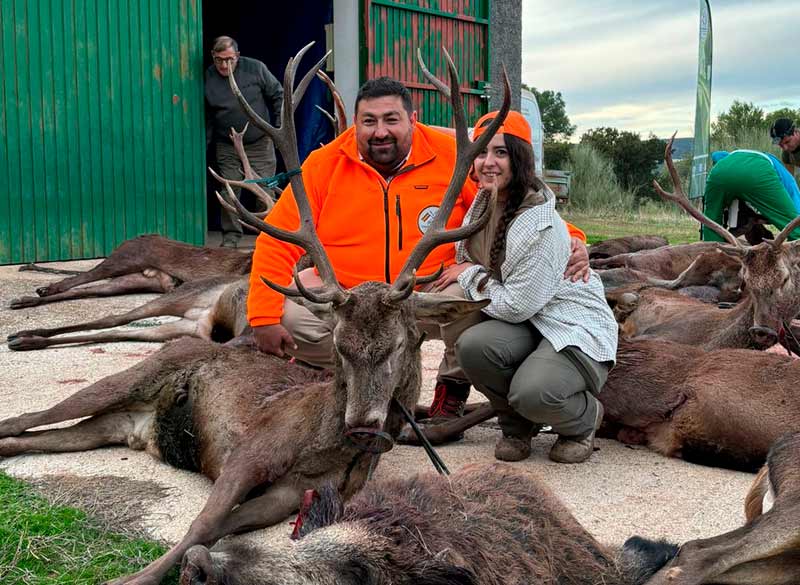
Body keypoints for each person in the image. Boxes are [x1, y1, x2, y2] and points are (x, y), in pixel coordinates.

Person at [246, 76, 590, 422]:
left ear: (412, 119)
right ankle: (359, 376)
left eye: (391, 119)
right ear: (356, 123)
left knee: (469, 296)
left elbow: (510, 200)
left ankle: (451, 386)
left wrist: (570, 237)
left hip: (425, 293)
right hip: (353, 301)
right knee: (290, 315)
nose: (380, 131)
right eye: (369, 121)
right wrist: (263, 317)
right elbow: (277, 239)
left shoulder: (453, 157)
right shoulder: (324, 165)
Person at [446, 110, 618, 464]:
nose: (488, 162)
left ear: (520, 158)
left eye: (501, 152)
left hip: (569, 326)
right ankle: (517, 426)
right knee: (473, 347)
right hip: (530, 321)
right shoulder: (483, 204)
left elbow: (514, 306)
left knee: (534, 392)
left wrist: (468, 274)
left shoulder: (540, 224)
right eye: (481, 152)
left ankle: (584, 420)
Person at [205, 36, 283, 248]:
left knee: (265, 190)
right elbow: (207, 114)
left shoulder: (256, 69)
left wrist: (278, 129)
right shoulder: (208, 77)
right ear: (213, 56)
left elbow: (278, 95)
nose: (224, 65)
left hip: (259, 142)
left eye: (229, 59)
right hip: (227, 144)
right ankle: (230, 238)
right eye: (219, 60)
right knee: (230, 190)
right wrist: (206, 143)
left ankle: (268, 240)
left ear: (237, 56)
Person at [701, 149, 800, 242]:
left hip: (718, 173)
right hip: (757, 171)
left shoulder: (729, 159)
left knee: (712, 221)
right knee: (793, 227)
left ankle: (711, 248)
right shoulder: (772, 162)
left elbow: (716, 155)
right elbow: (792, 190)